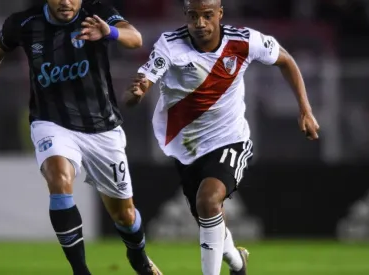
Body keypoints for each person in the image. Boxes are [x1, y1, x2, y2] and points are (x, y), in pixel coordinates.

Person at [0, 0, 162, 274]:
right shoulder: (24, 24)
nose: (65, 2)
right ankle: (80, 270)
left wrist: (109, 32)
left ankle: (138, 257)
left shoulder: (97, 13)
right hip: (52, 122)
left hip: (102, 128)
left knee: (124, 216)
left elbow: (135, 38)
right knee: (59, 179)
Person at [124, 0, 320, 274]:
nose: (200, 23)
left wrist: (305, 110)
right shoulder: (169, 44)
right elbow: (143, 82)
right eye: (193, 16)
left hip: (230, 139)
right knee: (209, 218)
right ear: (185, 16)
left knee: (208, 200)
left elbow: (286, 60)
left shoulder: (244, 41)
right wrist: (135, 94)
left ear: (220, 14)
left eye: (207, 16)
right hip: (187, 146)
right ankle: (239, 263)